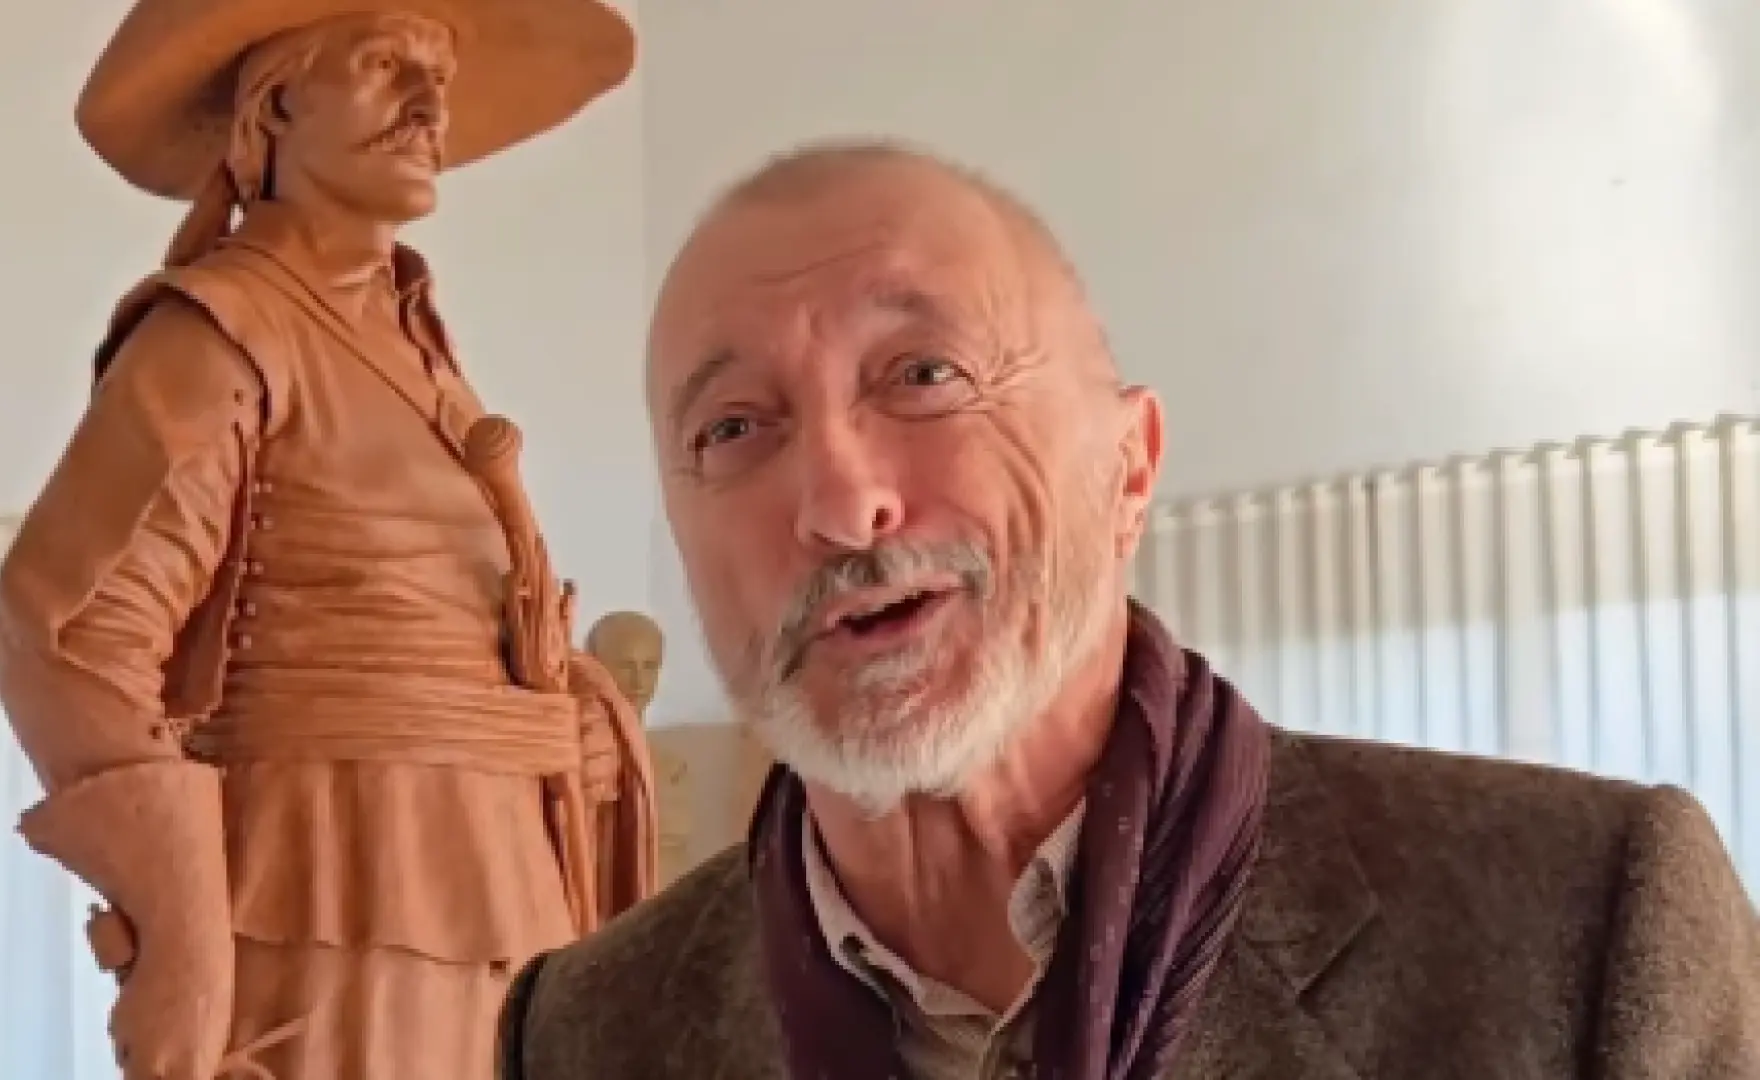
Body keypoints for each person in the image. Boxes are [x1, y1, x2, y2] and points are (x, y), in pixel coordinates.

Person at [497, 140, 1760, 1079]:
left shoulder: (1586, 922)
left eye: (924, 374)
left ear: (1129, 471)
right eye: (732, 428)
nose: (839, 503)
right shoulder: (584, 1033)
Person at [0, 3, 656, 1078]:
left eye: (440, 76)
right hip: (337, 895)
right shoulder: (221, 333)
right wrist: (183, 933)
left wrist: (564, 724)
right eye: (386, 64)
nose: (429, 106)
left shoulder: (416, 346)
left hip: (499, 896)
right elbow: (68, 631)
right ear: (276, 106)